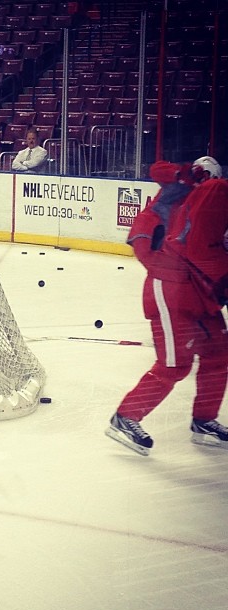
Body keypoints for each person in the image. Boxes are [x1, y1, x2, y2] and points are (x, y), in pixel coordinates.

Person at [107, 156, 228, 455]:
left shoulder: (207, 209)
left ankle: (204, 420)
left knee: (218, 355)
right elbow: (158, 170)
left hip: (199, 291)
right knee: (174, 365)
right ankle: (125, 417)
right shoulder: (174, 194)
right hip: (170, 288)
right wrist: (183, 173)